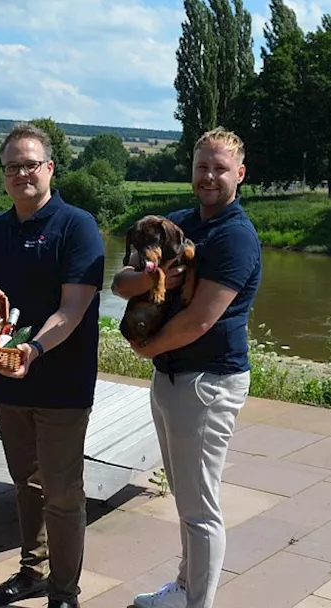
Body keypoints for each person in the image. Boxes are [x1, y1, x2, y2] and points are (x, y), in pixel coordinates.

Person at [111, 128, 262, 608]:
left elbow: (199, 322)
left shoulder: (235, 238)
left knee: (200, 509)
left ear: (240, 173)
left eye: (220, 168)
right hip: (174, 378)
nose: (210, 177)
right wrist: (150, 276)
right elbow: (118, 284)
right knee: (186, 495)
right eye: (202, 167)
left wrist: (145, 349)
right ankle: (183, 588)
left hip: (208, 381)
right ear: (192, 170)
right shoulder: (174, 225)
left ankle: (197, 603)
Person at [0, 123, 105, 608]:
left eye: (30, 164)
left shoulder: (77, 226)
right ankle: (34, 572)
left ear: (49, 168)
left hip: (61, 384)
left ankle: (64, 593)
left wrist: (34, 351)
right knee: (24, 483)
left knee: (62, 492)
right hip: (6, 382)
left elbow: (73, 309)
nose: (21, 173)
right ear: (3, 174)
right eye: (12, 166)